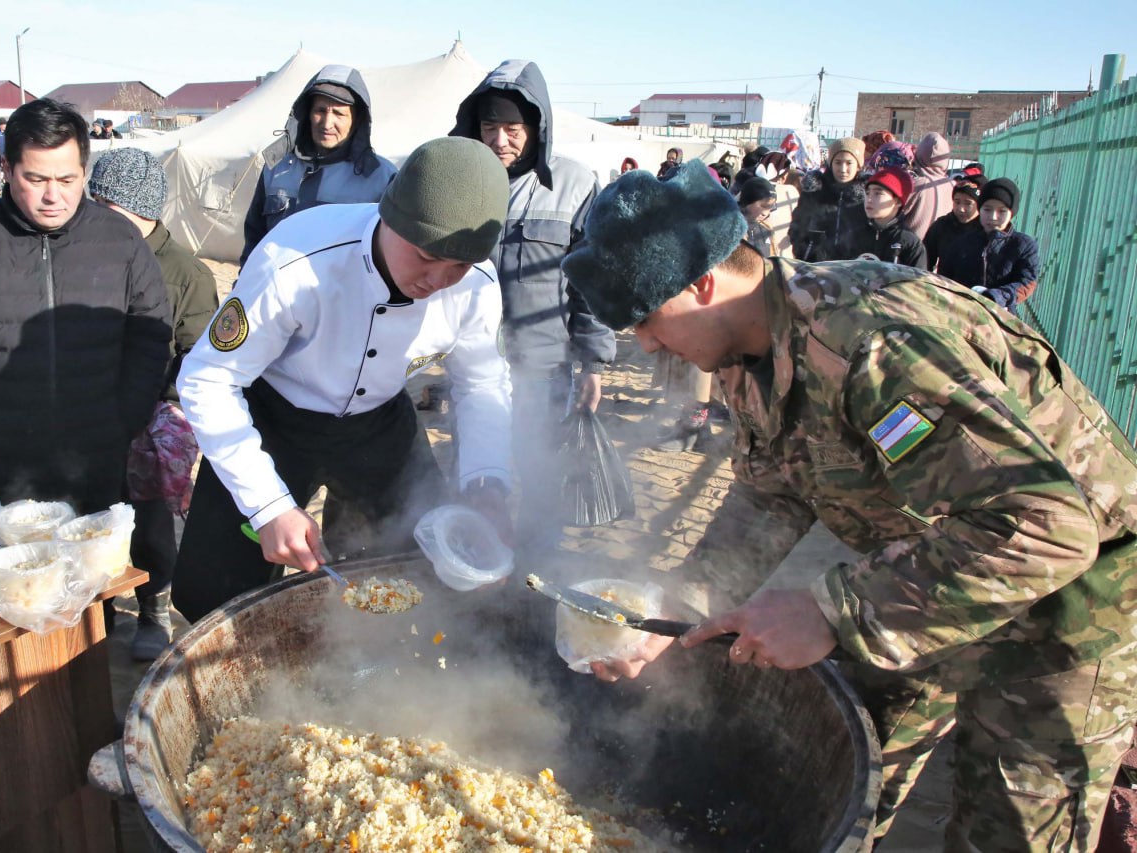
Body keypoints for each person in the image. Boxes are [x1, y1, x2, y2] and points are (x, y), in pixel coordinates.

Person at [561, 160, 1137, 850]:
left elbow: (1047, 525)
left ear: (701, 283)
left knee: (1009, 833)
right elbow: (768, 497)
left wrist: (835, 609)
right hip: (928, 569)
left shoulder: (868, 345)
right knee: (863, 779)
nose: (648, 346)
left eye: (648, 323)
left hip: (1067, 609)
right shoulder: (749, 348)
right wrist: (679, 607)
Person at [171, 137, 514, 622]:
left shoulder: (477, 285)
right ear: (388, 215)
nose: (436, 280)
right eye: (423, 256)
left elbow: (482, 384)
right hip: (274, 417)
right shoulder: (296, 258)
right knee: (216, 587)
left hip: (380, 423)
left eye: (457, 265)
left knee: (425, 561)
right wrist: (268, 507)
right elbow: (207, 379)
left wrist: (487, 483)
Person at [0, 97, 172, 513]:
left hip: (97, 456)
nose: (53, 197)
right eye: (35, 179)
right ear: (7, 170)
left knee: (96, 573)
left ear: (84, 171)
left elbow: (151, 331)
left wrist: (125, 419)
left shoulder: (121, 241)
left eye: (67, 180)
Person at [450, 59, 615, 550]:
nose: (500, 140)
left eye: (512, 128)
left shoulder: (575, 183)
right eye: (489, 127)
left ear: (536, 127)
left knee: (540, 479)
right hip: (472, 364)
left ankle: (535, 582)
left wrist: (593, 363)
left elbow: (593, 283)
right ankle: (474, 573)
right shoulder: (460, 183)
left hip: (543, 367)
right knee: (475, 475)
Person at [88, 146, 219, 659]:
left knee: (153, 511)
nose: (93, 216)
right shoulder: (85, 257)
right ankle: (92, 610)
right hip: (94, 406)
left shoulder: (186, 274)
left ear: (140, 212)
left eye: (106, 207)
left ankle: (153, 606)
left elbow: (199, 356)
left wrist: (160, 407)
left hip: (154, 410)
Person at [241, 65, 396, 266]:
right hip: (277, 290)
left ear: (356, 120)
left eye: (339, 114)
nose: (326, 123)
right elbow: (254, 238)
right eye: (320, 110)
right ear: (307, 113)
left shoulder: (381, 178)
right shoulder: (277, 167)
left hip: (341, 294)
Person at [937, 177, 1040, 313]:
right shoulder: (961, 242)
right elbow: (944, 277)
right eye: (987, 209)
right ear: (980, 210)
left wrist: (997, 296)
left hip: (1001, 316)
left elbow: (1027, 282)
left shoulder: (1023, 245)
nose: (993, 217)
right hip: (961, 313)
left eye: (1002, 211)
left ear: (1011, 213)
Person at [788, 137, 865, 261]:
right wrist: (805, 251)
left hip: (852, 268)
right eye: (838, 162)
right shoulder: (815, 191)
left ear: (858, 165)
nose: (843, 169)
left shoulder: (866, 195)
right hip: (814, 266)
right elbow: (797, 225)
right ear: (830, 163)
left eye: (849, 163)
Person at [844, 165, 927, 268]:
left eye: (878, 194)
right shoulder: (855, 235)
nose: (869, 199)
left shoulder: (910, 243)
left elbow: (918, 282)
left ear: (897, 201)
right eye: (867, 193)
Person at [922, 175, 985, 271]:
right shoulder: (942, 225)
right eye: (957, 202)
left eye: (968, 203)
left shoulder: (985, 229)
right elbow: (925, 262)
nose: (961, 209)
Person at [900, 132, 952, 237]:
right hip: (938, 249)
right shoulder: (952, 184)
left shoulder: (917, 183)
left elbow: (894, 214)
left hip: (911, 247)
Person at [737, 176, 776, 257]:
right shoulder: (730, 226)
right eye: (763, 206)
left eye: (770, 208)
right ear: (747, 200)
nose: (765, 213)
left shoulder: (766, 231)